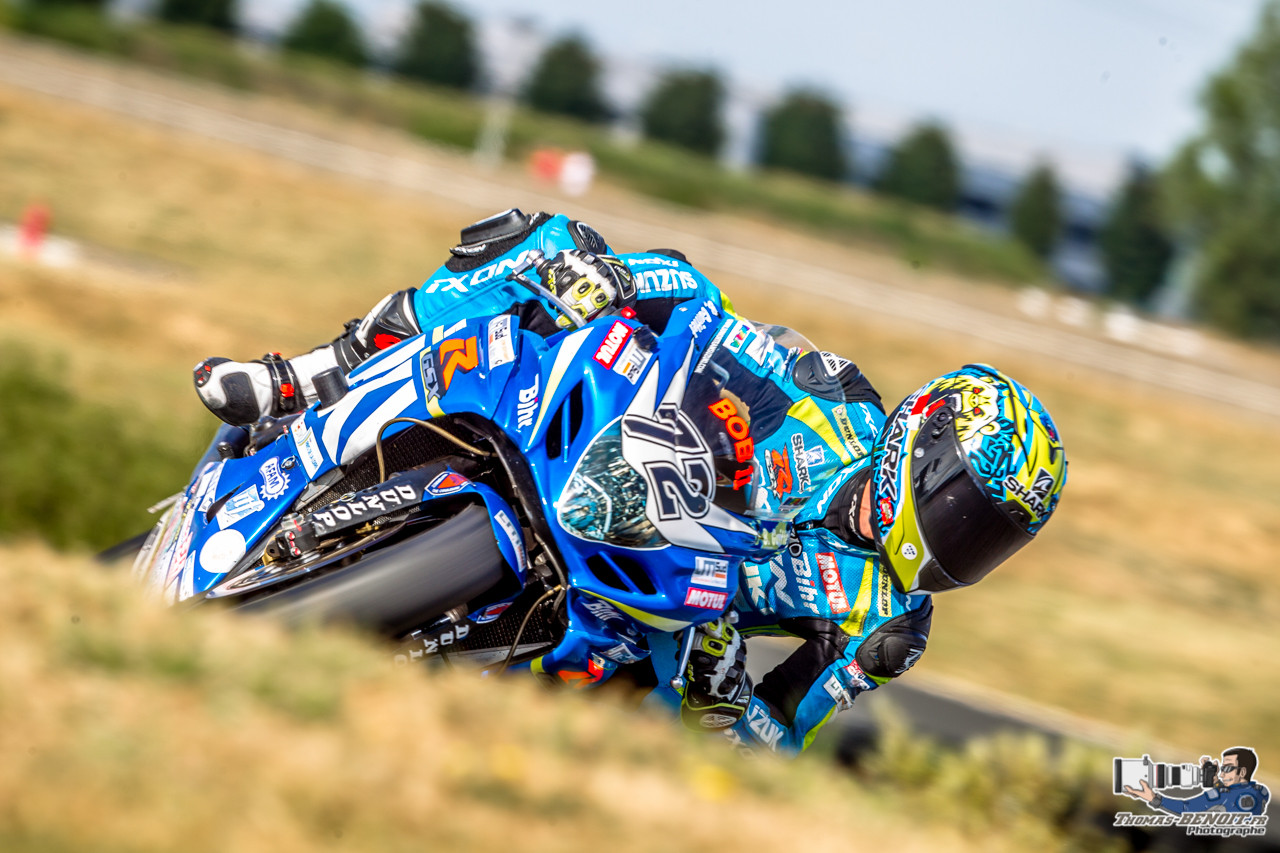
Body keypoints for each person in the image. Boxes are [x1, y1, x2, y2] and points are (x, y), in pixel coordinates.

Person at [645, 364, 1068, 755]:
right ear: (926, 440)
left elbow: (777, 738)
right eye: (963, 510)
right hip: (634, 484)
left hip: (659, 631)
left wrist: (728, 695)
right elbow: (707, 330)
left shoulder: (891, 627)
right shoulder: (835, 398)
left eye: (988, 538)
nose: (964, 538)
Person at [1126, 748, 1270, 815]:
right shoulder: (1261, 791)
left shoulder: (1220, 797)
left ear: (1242, 772)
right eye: (1222, 768)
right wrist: (1216, 782)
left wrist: (1154, 799)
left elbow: (1185, 809)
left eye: (1227, 769)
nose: (1221, 773)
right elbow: (1234, 797)